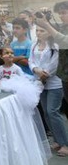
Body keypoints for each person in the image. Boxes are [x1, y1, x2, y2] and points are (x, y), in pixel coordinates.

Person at [29, 25, 68, 157]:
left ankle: (65, 144)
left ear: (49, 32)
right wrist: (35, 70)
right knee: (46, 112)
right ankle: (57, 140)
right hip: (40, 83)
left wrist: (45, 73)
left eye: (42, 30)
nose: (39, 33)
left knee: (53, 111)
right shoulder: (34, 45)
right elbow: (31, 60)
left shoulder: (55, 46)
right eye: (37, 31)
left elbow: (55, 63)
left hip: (54, 83)